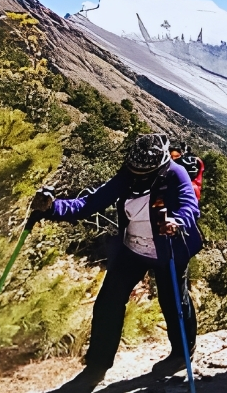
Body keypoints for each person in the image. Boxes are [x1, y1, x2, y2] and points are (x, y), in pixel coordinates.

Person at [31, 133, 204, 393]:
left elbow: (189, 206)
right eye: (134, 170)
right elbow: (92, 202)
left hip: (169, 249)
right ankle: (96, 368)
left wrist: (176, 222)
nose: (137, 175)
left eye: (142, 172)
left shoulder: (176, 173)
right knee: (108, 303)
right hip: (132, 249)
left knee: (173, 301)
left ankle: (182, 352)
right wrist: (52, 208)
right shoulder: (129, 174)